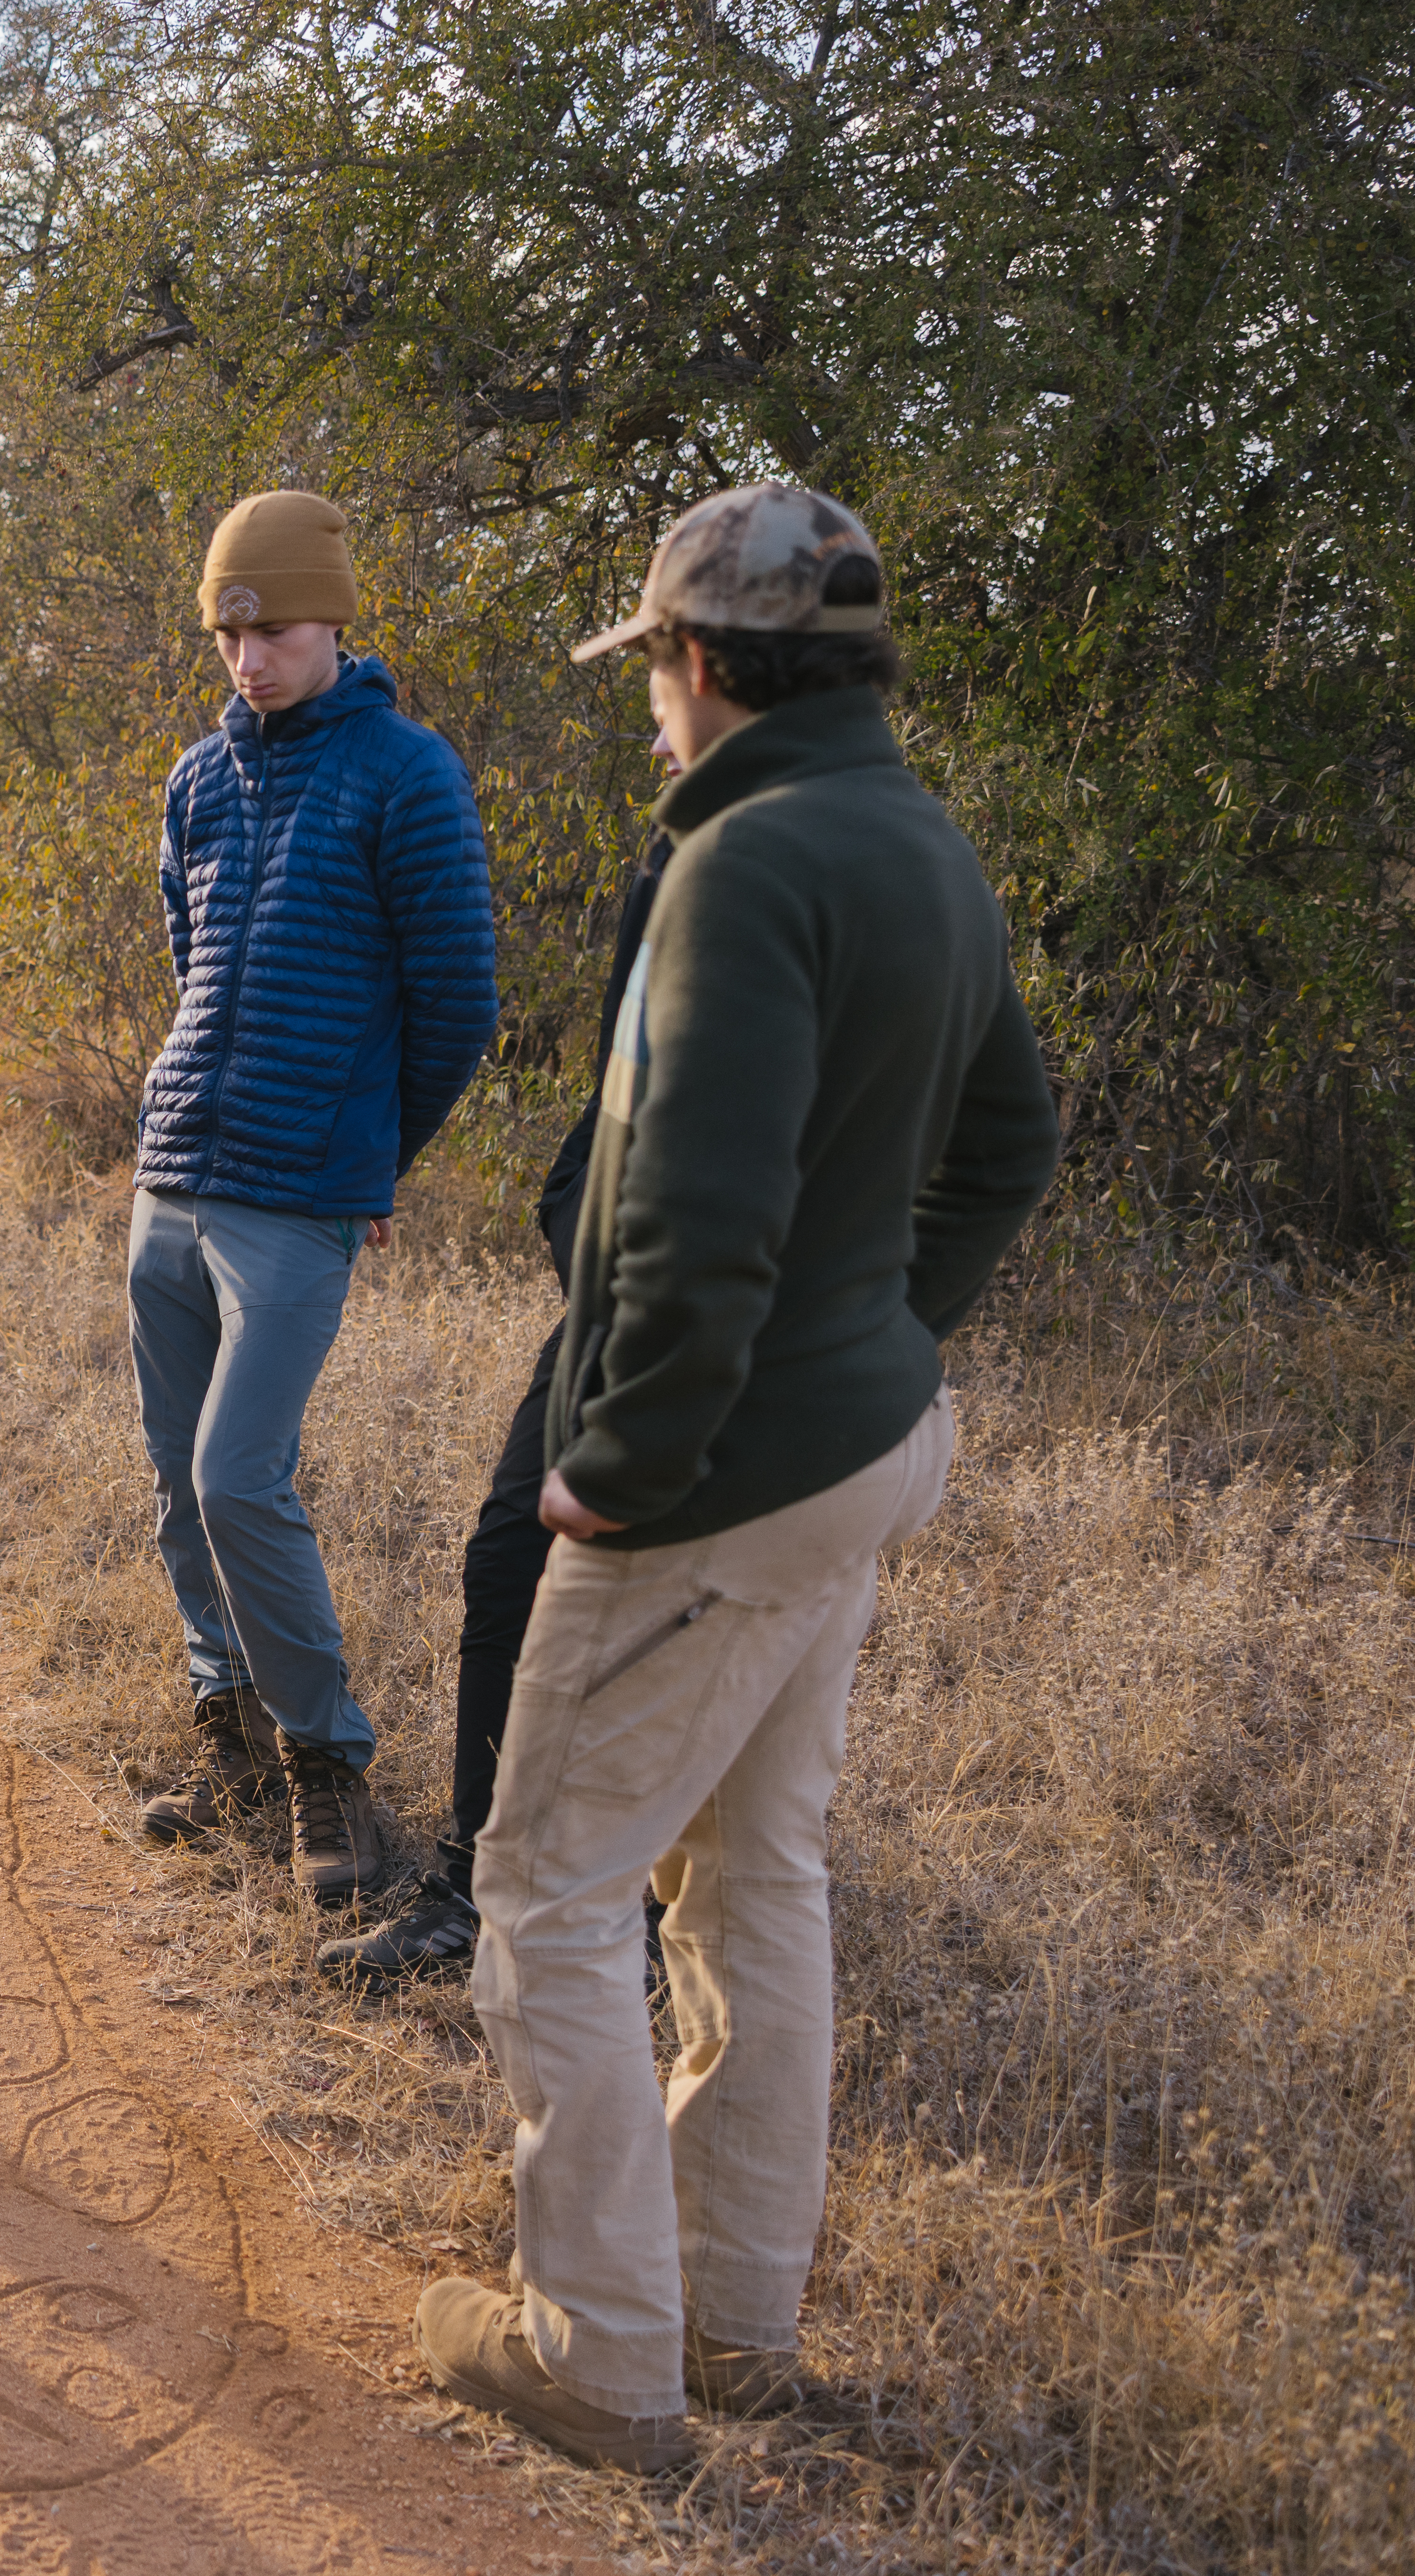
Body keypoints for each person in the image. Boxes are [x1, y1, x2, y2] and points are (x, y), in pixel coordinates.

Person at [414, 487, 1060, 2469]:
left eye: (651, 674)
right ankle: (736, 2315)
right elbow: (1011, 1139)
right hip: (862, 1442)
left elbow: (694, 1223)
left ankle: (604, 2358)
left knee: (545, 1890)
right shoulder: (916, 838)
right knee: (758, 1869)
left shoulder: (747, 858)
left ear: (696, 665)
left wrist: (623, 1464)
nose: (649, 710)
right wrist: (880, 1332)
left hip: (721, 1481)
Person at [127, 489, 498, 1910]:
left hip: (296, 1198)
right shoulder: (199, 779)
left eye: (270, 625)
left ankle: (325, 1769)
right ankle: (223, 1738)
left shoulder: (407, 773)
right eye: (226, 628)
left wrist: (369, 1160)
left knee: (239, 1478)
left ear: (333, 616)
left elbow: (459, 1001)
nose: (246, 654)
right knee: (176, 1485)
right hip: (173, 1177)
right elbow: (190, 950)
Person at [319, 822, 672, 1990]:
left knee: (672, 1608)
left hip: (734, 1319)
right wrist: (579, 1216)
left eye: (674, 667)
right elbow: (627, 1081)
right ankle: (471, 1886)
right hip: (620, 1296)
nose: (658, 720)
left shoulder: (838, 859)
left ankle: (643, 1921)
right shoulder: (676, 846)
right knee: (510, 1561)